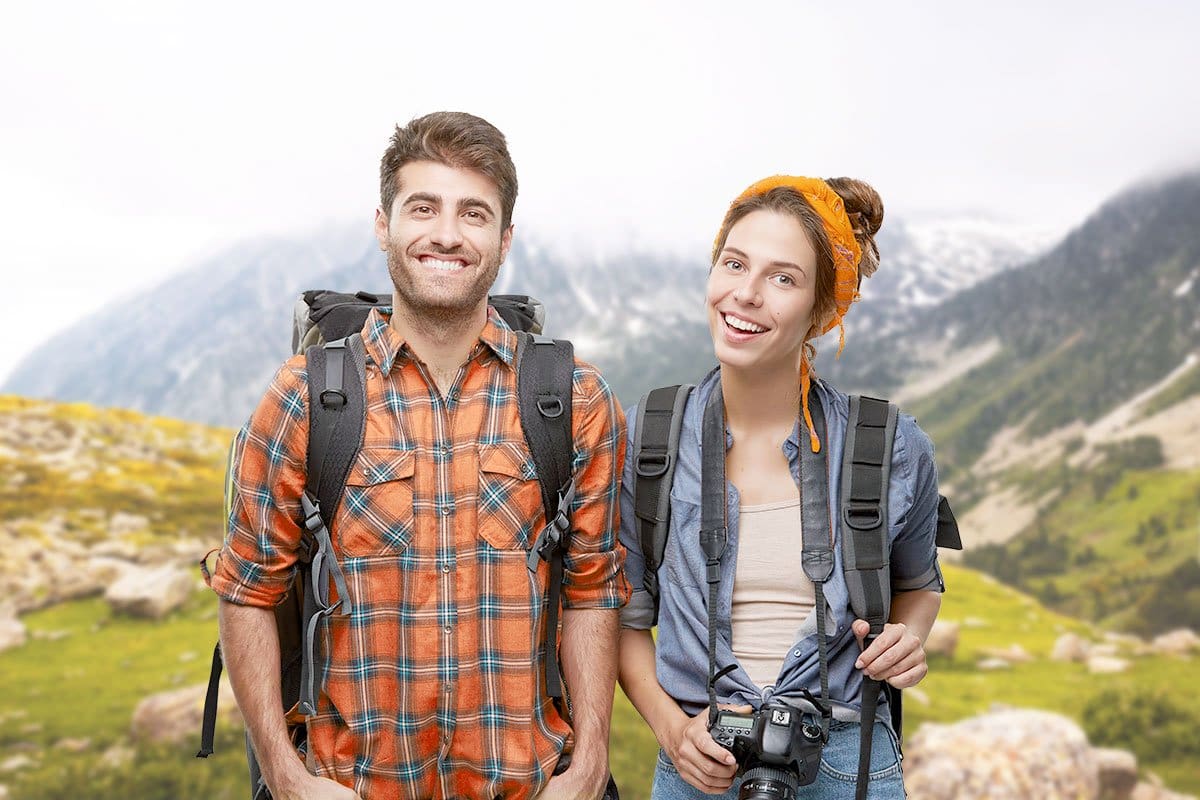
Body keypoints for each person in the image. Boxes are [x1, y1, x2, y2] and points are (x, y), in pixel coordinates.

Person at [210, 111, 629, 800]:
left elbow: (593, 589)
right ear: (385, 225)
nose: (446, 234)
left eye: (474, 213)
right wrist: (285, 777)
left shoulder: (572, 397)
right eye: (423, 207)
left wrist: (587, 767)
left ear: (504, 238)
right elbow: (247, 590)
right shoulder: (305, 396)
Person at [617, 176, 945, 799]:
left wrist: (908, 640)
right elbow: (624, 614)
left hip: (848, 757)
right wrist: (670, 730)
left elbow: (918, 586)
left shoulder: (890, 444)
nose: (745, 294)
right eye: (733, 264)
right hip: (697, 759)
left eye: (783, 278)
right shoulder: (649, 436)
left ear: (823, 311)